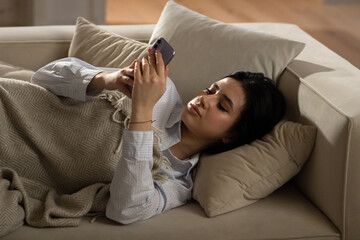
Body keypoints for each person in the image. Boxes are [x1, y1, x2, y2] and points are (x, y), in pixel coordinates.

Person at [31, 48, 286, 224]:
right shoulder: (162, 92)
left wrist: (141, 112)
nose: (205, 100)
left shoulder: (175, 184)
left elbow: (125, 210)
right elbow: (42, 76)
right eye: (211, 90)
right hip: (22, 106)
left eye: (222, 106)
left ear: (231, 135)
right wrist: (108, 79)